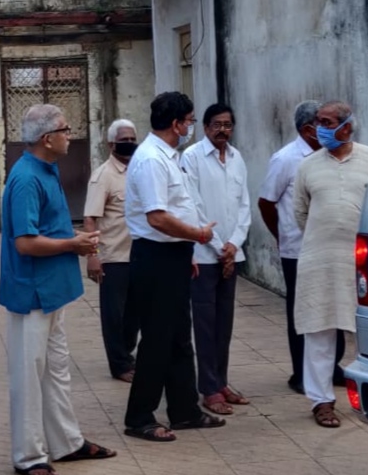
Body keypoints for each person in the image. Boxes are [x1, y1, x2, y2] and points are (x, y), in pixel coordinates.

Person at [0, 104, 117, 475]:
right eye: (66, 130)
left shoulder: (45, 170)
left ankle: (66, 442)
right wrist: (73, 245)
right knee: (29, 375)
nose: (71, 134)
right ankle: (28, 455)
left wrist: (74, 241)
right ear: (47, 139)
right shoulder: (26, 179)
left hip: (52, 291)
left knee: (57, 372)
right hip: (31, 293)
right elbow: (25, 243)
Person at [122, 91, 225, 443]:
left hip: (175, 256)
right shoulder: (152, 158)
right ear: (177, 123)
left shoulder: (170, 156)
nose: (191, 126)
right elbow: (158, 218)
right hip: (156, 257)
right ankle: (139, 416)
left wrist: (189, 253)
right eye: (190, 120)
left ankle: (184, 410)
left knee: (180, 337)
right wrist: (197, 236)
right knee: (157, 340)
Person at [293, 100, 368, 428]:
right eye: (318, 122)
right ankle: (321, 401)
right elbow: (300, 212)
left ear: (347, 126)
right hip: (319, 259)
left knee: (366, 328)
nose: (320, 128)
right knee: (319, 329)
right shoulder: (308, 166)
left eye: (327, 122)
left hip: (360, 260)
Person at [258, 100, 346, 395]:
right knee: (303, 311)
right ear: (308, 129)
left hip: (332, 248)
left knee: (334, 307)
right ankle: (300, 372)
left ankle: (332, 367)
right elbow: (266, 202)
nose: (325, 129)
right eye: (321, 124)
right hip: (297, 249)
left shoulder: (333, 156)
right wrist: (281, 236)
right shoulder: (285, 159)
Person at [181, 103, 252, 415]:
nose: (223, 130)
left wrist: (234, 245)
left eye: (228, 124)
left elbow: (245, 207)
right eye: (216, 125)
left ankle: (221, 381)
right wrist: (219, 246)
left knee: (225, 323)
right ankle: (208, 388)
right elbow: (193, 207)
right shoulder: (192, 157)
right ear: (206, 127)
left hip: (230, 255)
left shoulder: (237, 159)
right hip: (204, 254)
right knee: (206, 324)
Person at [84, 119, 140, 383]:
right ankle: (119, 365)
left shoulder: (139, 169)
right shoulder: (103, 176)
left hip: (139, 256)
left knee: (134, 315)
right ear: (110, 144)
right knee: (114, 317)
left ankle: (127, 355)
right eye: (124, 140)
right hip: (113, 256)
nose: (129, 144)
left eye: (132, 139)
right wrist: (92, 255)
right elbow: (90, 219)